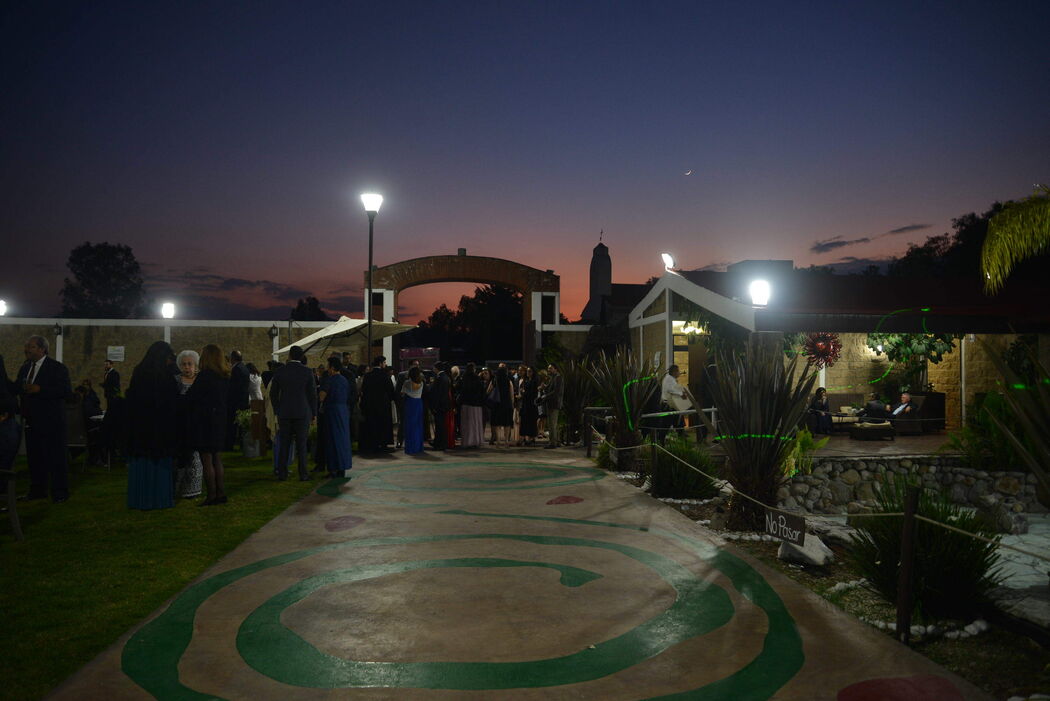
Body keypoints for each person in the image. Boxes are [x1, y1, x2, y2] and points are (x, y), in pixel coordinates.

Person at [16, 335, 73, 502]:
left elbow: (65, 391)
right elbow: (18, 387)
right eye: (26, 346)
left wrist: (40, 389)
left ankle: (60, 492)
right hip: (32, 421)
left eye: (31, 347)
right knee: (35, 458)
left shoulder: (57, 368)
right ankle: (37, 490)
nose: (26, 349)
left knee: (56, 457)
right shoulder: (25, 368)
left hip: (52, 421)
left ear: (42, 349)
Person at [125, 341, 180, 510]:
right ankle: (159, 499)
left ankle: (141, 499)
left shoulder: (139, 373)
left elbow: (131, 400)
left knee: (143, 463)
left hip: (141, 429)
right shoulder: (165, 377)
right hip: (160, 430)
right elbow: (172, 403)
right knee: (160, 465)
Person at [187, 344, 230, 505]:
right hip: (219, 420)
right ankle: (221, 492)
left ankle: (211, 495)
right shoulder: (224, 376)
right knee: (217, 458)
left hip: (205, 421)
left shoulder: (204, 376)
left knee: (206, 458)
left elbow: (192, 397)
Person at [270, 345, 317, 481]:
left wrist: (277, 409)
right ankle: (303, 474)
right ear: (301, 357)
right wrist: (313, 412)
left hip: (284, 412)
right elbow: (312, 394)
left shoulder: (280, 371)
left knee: (284, 444)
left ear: (289, 355)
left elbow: (274, 393)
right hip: (302, 412)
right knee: (302, 445)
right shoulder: (307, 372)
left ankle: (282, 473)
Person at [174, 350, 204, 498]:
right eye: (184, 364)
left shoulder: (200, 381)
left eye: (190, 364)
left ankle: (193, 489)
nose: (187, 367)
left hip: (196, 424)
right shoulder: (176, 381)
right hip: (180, 424)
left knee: (195, 458)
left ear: (195, 365)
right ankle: (178, 488)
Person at [319, 356, 352, 478]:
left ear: (332, 368)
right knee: (343, 439)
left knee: (332, 439)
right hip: (343, 411)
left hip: (332, 411)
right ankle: (342, 467)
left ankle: (333, 468)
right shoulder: (344, 380)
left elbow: (322, 396)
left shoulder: (329, 380)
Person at [360, 356, 397, 453]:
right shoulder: (385, 375)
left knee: (372, 424)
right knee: (383, 425)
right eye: (384, 362)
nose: (385, 364)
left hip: (370, 405)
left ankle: (373, 444)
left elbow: (364, 390)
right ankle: (383, 444)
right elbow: (390, 390)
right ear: (380, 363)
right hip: (383, 405)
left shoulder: (368, 375)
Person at [226, 349, 250, 450]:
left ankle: (229, 444)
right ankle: (242, 444)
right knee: (241, 425)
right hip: (243, 400)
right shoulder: (244, 368)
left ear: (233, 358)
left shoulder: (236, 369)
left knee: (233, 424)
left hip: (236, 401)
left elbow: (234, 387)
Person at [428, 362, 453, 450]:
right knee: (441, 426)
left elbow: (437, 394)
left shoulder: (439, 378)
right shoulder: (445, 377)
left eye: (434, 367)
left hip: (439, 406)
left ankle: (439, 444)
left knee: (440, 426)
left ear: (436, 368)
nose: (433, 369)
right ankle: (439, 443)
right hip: (444, 405)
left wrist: (434, 406)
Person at [401, 365, 426, 454]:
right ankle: (418, 447)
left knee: (410, 426)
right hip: (418, 404)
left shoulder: (407, 383)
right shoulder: (422, 382)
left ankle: (411, 448)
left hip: (410, 404)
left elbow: (402, 393)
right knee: (418, 426)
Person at [488, 364, 514, 448]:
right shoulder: (508, 381)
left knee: (497, 423)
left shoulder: (494, 380)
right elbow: (511, 394)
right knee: (507, 423)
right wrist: (512, 404)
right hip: (506, 404)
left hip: (496, 404)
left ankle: (498, 441)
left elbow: (488, 391)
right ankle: (506, 441)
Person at [541, 363, 564, 448]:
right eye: (548, 368)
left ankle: (552, 443)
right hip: (552, 403)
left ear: (555, 369)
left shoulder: (558, 377)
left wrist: (545, 396)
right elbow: (552, 389)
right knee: (553, 424)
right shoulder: (554, 378)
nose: (549, 370)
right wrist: (545, 387)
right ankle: (556, 441)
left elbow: (556, 391)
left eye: (550, 368)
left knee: (552, 424)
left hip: (554, 404)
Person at [661, 365, 688, 435]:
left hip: (670, 403)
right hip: (668, 404)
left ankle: (681, 432)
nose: (679, 373)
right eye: (678, 371)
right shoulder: (669, 379)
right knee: (668, 422)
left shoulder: (670, 378)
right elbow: (670, 390)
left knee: (678, 417)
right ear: (674, 372)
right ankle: (680, 432)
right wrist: (681, 394)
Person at [518, 365, 539, 446]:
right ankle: (526, 438)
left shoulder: (534, 381)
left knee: (531, 422)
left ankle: (531, 439)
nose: (528, 373)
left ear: (533, 373)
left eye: (530, 371)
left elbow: (533, 394)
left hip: (531, 405)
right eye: (527, 371)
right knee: (525, 421)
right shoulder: (526, 381)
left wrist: (523, 392)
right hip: (526, 404)